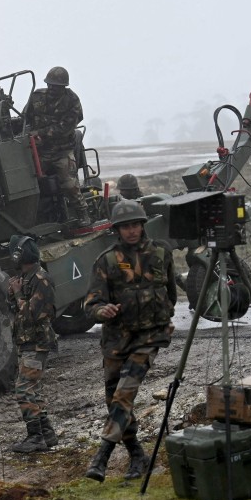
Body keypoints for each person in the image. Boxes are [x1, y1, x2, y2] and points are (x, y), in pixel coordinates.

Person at [82, 199, 177, 481]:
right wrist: (102, 310)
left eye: (135, 224)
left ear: (142, 225)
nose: (131, 231)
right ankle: (137, 455)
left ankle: (102, 456)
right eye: (125, 227)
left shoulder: (162, 253)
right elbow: (90, 304)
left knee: (125, 393)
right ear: (117, 230)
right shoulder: (107, 261)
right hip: (116, 340)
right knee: (115, 401)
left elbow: (170, 294)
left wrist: (159, 317)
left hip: (149, 338)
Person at [6, 235, 59, 453]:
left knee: (23, 390)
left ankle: (35, 437)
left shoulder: (40, 278)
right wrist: (13, 294)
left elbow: (31, 314)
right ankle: (46, 433)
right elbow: (15, 310)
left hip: (37, 343)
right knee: (32, 390)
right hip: (27, 343)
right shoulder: (26, 277)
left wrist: (18, 294)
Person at [24, 66, 91, 226]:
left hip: (62, 151)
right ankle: (37, 219)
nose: (52, 88)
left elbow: (65, 127)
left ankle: (83, 214)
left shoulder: (72, 101)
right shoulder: (36, 97)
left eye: (56, 86)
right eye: (50, 85)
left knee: (69, 184)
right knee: (28, 184)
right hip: (40, 151)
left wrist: (40, 132)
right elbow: (25, 118)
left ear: (63, 87)